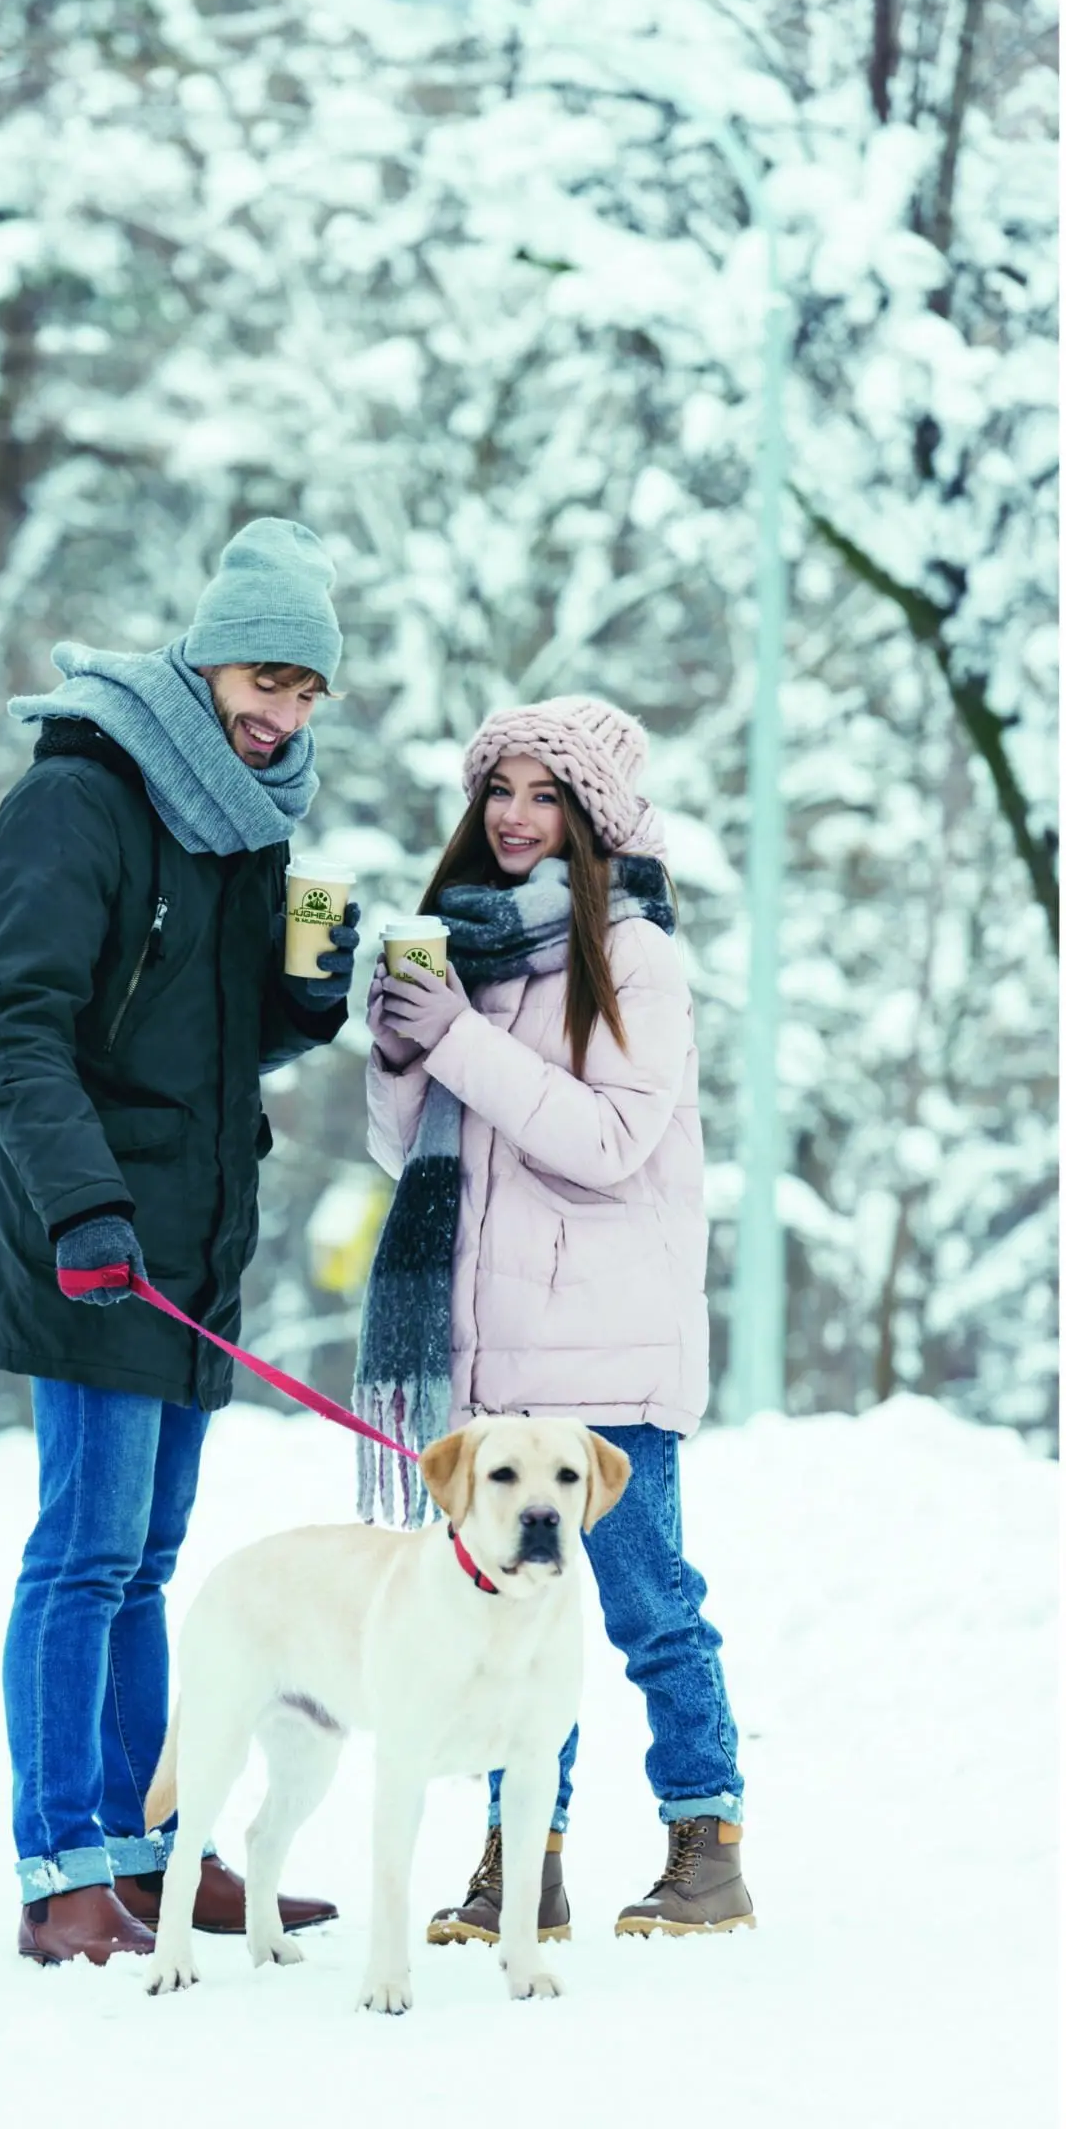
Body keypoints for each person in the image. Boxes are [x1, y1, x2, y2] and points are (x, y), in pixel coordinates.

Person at [0, 518, 357, 1967]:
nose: (284, 714)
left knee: (146, 1558)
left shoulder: (245, 814)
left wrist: (304, 997)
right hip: (92, 1236)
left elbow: (206, 1042)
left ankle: (144, 1856)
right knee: (84, 1553)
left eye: (310, 693)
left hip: (185, 1250)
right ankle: (62, 1871)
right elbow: (8, 1033)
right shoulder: (83, 798)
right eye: (267, 678)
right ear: (205, 654)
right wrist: (84, 1207)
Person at [355, 696, 753, 1943]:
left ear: (596, 820)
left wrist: (461, 1041)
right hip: (491, 1363)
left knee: (645, 1607)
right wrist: (400, 1048)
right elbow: (408, 1160)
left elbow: (604, 1143)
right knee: (502, 1620)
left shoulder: (634, 956)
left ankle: (707, 1845)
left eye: (548, 797)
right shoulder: (471, 952)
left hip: (609, 1357)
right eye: (501, 792)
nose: (517, 819)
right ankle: (524, 1863)